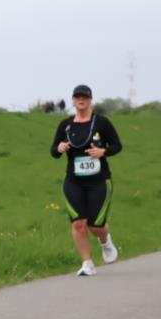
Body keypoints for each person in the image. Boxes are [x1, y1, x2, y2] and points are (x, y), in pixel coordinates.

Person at [50, 84, 122, 276]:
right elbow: (53, 151)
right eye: (77, 97)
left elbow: (117, 146)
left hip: (99, 181)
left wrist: (103, 151)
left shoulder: (101, 123)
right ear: (73, 101)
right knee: (78, 223)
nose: (81, 100)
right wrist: (60, 148)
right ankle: (87, 263)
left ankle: (105, 241)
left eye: (85, 97)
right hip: (74, 181)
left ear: (90, 100)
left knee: (95, 225)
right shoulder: (65, 125)